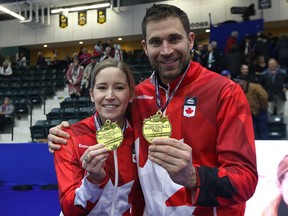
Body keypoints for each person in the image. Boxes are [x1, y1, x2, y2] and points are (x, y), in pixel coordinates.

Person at [48, 4, 258, 215]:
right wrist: (63, 134)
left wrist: (194, 177)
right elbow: (107, 115)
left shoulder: (225, 92)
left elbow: (246, 180)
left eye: (174, 39)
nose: (166, 51)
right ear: (145, 47)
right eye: (156, 42)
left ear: (191, 40)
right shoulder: (138, 96)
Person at [54, 59, 144, 215]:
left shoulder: (140, 136)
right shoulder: (69, 137)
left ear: (131, 94)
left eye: (119, 88)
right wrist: (93, 181)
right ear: (91, 94)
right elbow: (69, 210)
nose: (110, 96)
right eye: (102, 88)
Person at [237, 74, 269, 140]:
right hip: (249, 112)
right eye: (239, 81)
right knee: (253, 130)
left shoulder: (255, 87)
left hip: (260, 110)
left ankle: (265, 142)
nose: (240, 83)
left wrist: (262, 107)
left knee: (263, 128)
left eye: (241, 81)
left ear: (245, 82)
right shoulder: (239, 89)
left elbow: (264, 96)